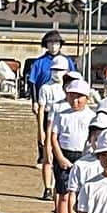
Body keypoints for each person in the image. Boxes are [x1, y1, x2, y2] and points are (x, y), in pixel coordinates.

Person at [50, 79, 95, 213]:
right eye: (72, 96)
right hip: (64, 156)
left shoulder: (92, 117)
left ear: (87, 98)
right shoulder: (61, 115)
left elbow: (93, 140)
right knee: (64, 194)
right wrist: (59, 157)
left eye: (79, 97)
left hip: (83, 158)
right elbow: (54, 137)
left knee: (82, 195)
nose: (75, 100)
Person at [36, 55, 70, 201]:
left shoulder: (69, 88)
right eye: (54, 70)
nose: (57, 73)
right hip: (49, 120)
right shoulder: (45, 88)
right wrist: (41, 130)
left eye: (60, 70)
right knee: (47, 157)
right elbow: (41, 110)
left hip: (65, 123)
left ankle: (61, 185)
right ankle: (48, 187)